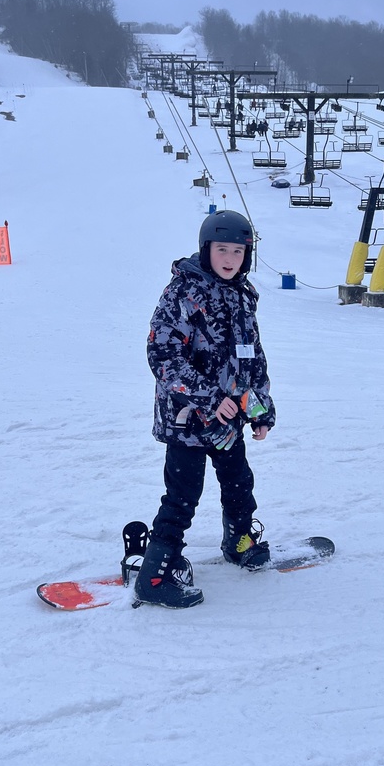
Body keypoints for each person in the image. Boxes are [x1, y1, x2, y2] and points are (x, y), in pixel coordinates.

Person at [134, 209, 276, 609]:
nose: (230, 258)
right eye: (221, 250)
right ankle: (156, 572)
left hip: (228, 423)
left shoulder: (243, 295)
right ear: (206, 250)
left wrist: (260, 408)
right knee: (182, 494)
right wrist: (210, 399)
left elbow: (252, 359)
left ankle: (240, 540)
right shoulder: (183, 291)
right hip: (189, 420)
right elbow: (162, 354)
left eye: (237, 251)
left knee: (239, 484)